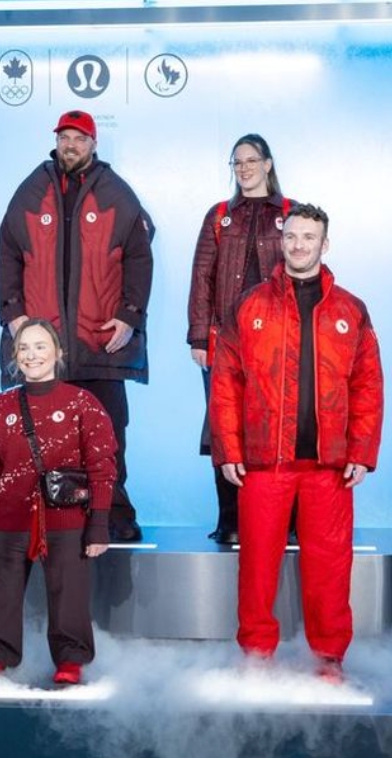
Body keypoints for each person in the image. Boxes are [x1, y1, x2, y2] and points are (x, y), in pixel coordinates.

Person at [209, 204, 383, 682]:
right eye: (292, 237)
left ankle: (328, 660)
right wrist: (229, 449)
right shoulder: (249, 305)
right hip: (265, 462)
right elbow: (225, 383)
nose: (299, 245)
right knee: (257, 567)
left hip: (330, 466)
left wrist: (362, 452)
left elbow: (368, 385)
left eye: (309, 237)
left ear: (325, 244)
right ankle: (256, 657)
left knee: (330, 569)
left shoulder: (350, 309)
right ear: (281, 241)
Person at [0, 110, 153, 542]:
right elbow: (8, 253)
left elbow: (140, 257)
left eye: (80, 138)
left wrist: (130, 315)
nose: (71, 145)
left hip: (98, 341)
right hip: (46, 347)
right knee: (44, 437)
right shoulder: (31, 190)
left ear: (94, 144)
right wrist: (13, 313)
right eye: (65, 137)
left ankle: (114, 514)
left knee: (108, 435)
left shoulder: (117, 193)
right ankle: (50, 516)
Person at [0, 318, 117, 685]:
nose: (31, 355)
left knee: (69, 593)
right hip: (7, 516)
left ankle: (71, 660)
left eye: (40, 346)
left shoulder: (83, 403)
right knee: (0, 593)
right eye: (23, 348)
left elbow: (102, 465)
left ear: (58, 352)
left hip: (66, 518)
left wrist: (99, 523)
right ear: (14, 356)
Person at [187, 133, 295, 544]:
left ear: (268, 164)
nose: (244, 167)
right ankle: (230, 521)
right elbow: (202, 277)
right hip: (225, 343)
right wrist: (199, 337)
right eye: (237, 161)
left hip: (279, 342)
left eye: (251, 160)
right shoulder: (219, 217)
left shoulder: (290, 213)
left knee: (281, 428)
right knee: (225, 429)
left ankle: (284, 521)